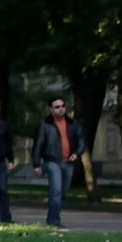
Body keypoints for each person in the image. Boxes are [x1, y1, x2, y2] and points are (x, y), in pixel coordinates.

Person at [35, 95, 86, 228]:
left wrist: (76, 153)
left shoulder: (72, 123)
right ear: (50, 109)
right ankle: (53, 220)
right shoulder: (45, 125)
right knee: (56, 190)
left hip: (68, 162)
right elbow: (38, 144)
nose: (61, 109)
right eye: (57, 107)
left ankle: (54, 215)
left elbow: (81, 140)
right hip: (52, 161)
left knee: (63, 192)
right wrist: (36, 164)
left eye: (63, 106)